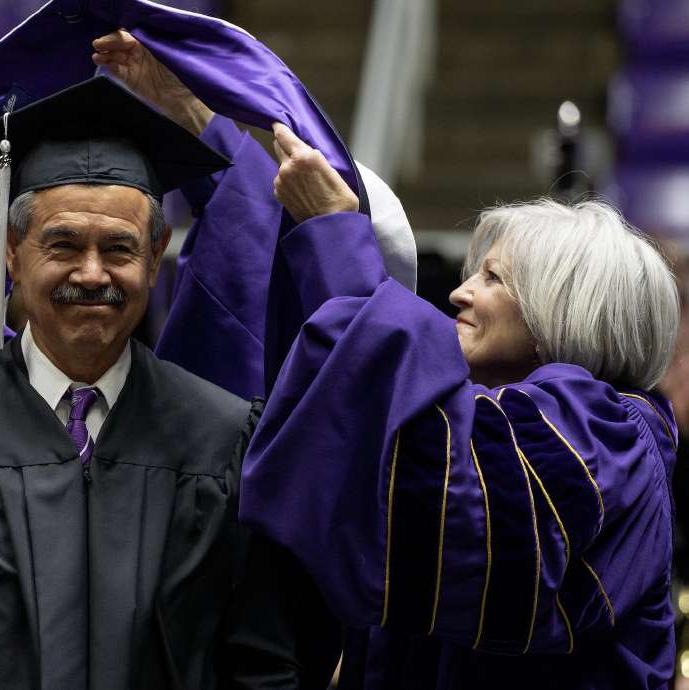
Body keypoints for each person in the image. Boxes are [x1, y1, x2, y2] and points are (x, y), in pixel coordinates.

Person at [0, 69, 341, 687]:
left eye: (118, 248)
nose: (92, 274)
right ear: (12, 252)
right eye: (62, 246)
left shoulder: (221, 437)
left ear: (156, 251)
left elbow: (262, 662)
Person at [240, 123, 679, 688]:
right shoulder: (507, 417)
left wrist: (337, 245)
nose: (459, 292)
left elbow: (450, 515)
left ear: (563, 313)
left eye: (493, 278)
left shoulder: (610, 438)